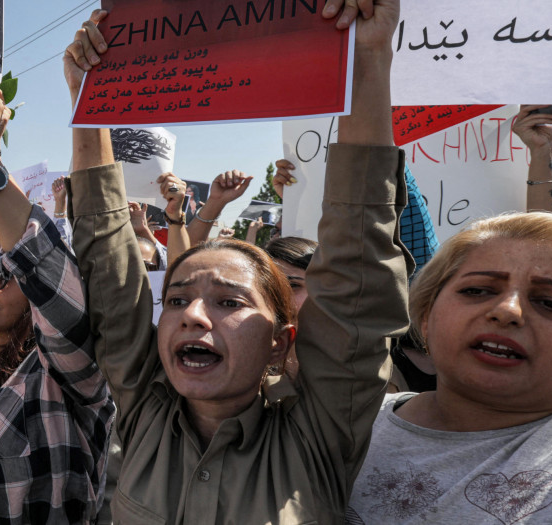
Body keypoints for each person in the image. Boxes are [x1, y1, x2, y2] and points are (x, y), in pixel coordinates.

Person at [62, 1, 409, 522]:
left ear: (280, 340)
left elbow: (359, 266)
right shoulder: (143, 410)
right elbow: (107, 262)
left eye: (229, 301)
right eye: (176, 299)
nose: (194, 317)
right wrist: (91, 95)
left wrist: (367, 57)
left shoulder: (319, 431)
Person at [347, 109, 552, 524]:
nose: (507, 311)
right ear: (424, 315)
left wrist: (542, 159)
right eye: (477, 290)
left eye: (550, 302)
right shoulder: (341, 430)